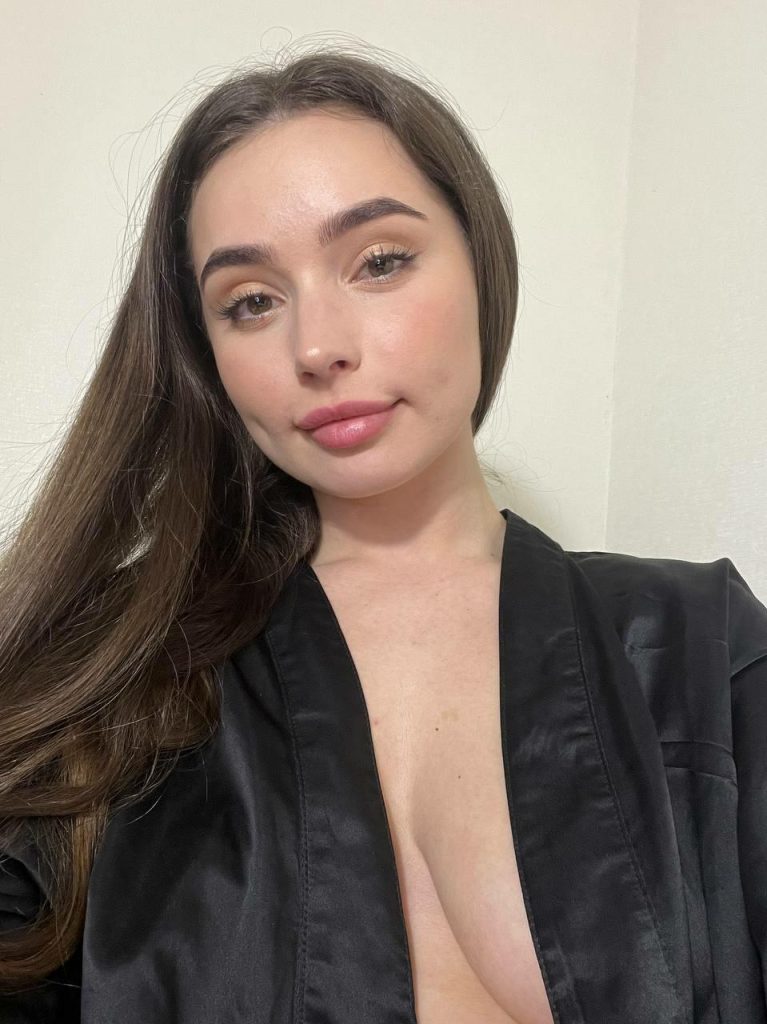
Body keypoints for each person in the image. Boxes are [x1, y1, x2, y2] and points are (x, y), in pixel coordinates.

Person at [1, 41, 766, 1024]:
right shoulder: (117, 671)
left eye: (380, 261)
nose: (317, 346)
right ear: (209, 358)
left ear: (480, 264)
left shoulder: (698, 646)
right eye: (250, 302)